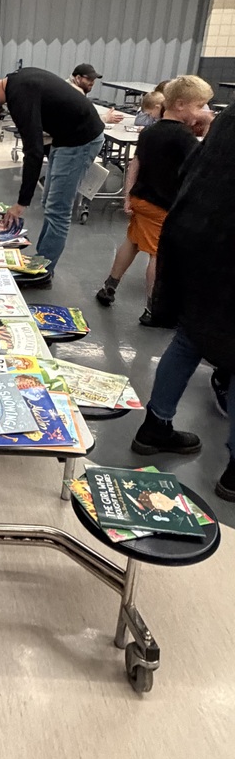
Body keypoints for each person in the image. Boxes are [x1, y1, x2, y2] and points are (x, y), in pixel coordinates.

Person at [128, 102, 235, 502]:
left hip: (195, 235)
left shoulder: (226, 121)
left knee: (189, 337)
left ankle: (155, 424)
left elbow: (193, 170)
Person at [0, 67, 104, 275]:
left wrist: (21, 203)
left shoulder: (19, 95)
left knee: (58, 210)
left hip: (80, 140)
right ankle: (41, 260)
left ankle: (43, 272)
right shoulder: (17, 81)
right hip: (65, 140)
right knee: (49, 202)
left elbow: (33, 152)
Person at [95, 75, 214, 324]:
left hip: (142, 199)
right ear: (180, 104)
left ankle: (109, 287)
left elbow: (135, 163)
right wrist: (211, 127)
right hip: (162, 205)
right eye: (200, 106)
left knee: (133, 242)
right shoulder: (182, 137)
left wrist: (128, 195)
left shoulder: (150, 131)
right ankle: (153, 309)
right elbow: (203, 165)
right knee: (157, 255)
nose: (203, 111)